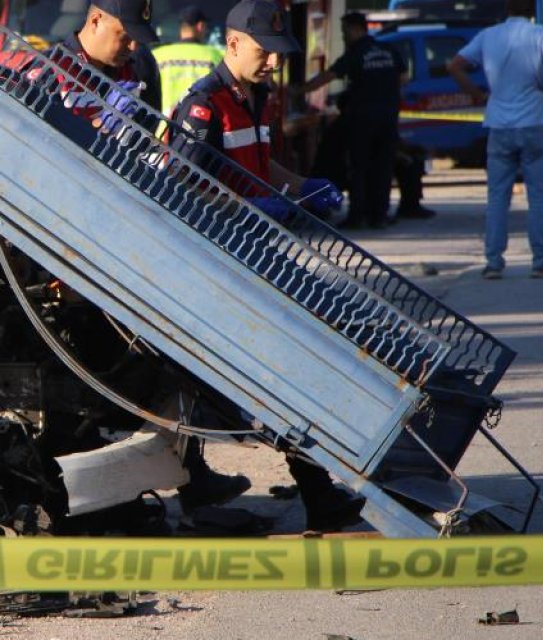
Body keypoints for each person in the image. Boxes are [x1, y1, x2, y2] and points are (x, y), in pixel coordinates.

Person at [169, 0, 363, 532]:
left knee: (272, 374)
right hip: (219, 264)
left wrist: (300, 188)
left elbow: (262, 162)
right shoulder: (204, 106)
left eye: (277, 54)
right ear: (232, 44)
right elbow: (184, 184)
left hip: (255, 256)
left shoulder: (255, 97)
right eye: (264, 52)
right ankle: (311, 495)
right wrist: (254, 207)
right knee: (274, 375)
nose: (273, 63)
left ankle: (310, 494)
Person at [447, 0, 543, 279]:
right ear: (530, 10)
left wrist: (477, 95)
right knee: (539, 197)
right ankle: (541, 260)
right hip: (534, 122)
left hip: (499, 125)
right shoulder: (540, 34)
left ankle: (493, 262)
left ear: (506, 9)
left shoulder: (488, 36)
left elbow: (455, 65)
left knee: (497, 197)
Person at [297, 12, 406, 230]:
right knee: (383, 169)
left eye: (345, 31)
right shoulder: (388, 50)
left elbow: (328, 76)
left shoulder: (356, 52)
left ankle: (357, 216)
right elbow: (404, 78)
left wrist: (299, 91)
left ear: (356, 29)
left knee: (359, 168)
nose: (344, 36)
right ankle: (379, 216)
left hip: (363, 120)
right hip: (388, 119)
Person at [153, 6, 223, 116]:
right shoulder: (216, 56)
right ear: (200, 26)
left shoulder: (158, 55)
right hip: (200, 124)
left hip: (162, 127)